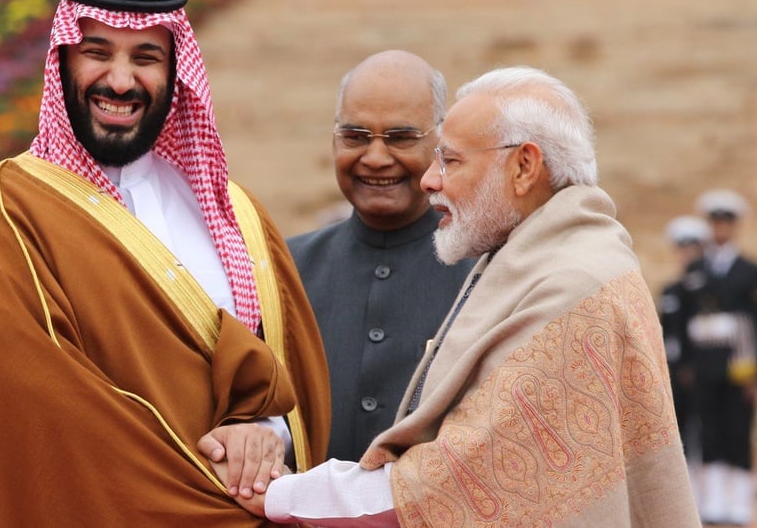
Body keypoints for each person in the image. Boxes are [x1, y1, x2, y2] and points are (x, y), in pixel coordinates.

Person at [0, 0, 330, 527]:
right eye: (98, 53)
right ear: (63, 60)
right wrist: (209, 498)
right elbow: (37, 412)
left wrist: (264, 435)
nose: (120, 82)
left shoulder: (236, 215)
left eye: (145, 59)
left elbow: (297, 384)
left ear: (176, 74)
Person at [207, 66, 699, 526]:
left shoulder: (568, 285)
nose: (430, 179)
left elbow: (461, 478)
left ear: (524, 166)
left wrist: (280, 496)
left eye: (449, 159)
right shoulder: (543, 259)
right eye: (355, 136)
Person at [286, 50, 474, 462]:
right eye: (354, 136)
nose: (374, 158)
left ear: (441, 144)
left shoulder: (486, 274)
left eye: (401, 137)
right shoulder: (282, 270)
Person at [672, 189, 757, 525]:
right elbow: (687, 322)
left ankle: (737, 505)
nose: (720, 229)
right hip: (704, 363)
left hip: (739, 364)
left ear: (734, 226)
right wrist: (688, 366)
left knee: (737, 430)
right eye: (715, 222)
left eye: (726, 222)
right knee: (708, 432)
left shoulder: (748, 271)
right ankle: (712, 503)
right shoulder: (696, 270)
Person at [656, 215, 710, 463]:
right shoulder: (671, 291)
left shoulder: (706, 292)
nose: (686, 255)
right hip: (671, 369)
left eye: (692, 249)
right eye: (681, 249)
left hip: (698, 369)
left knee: (702, 428)